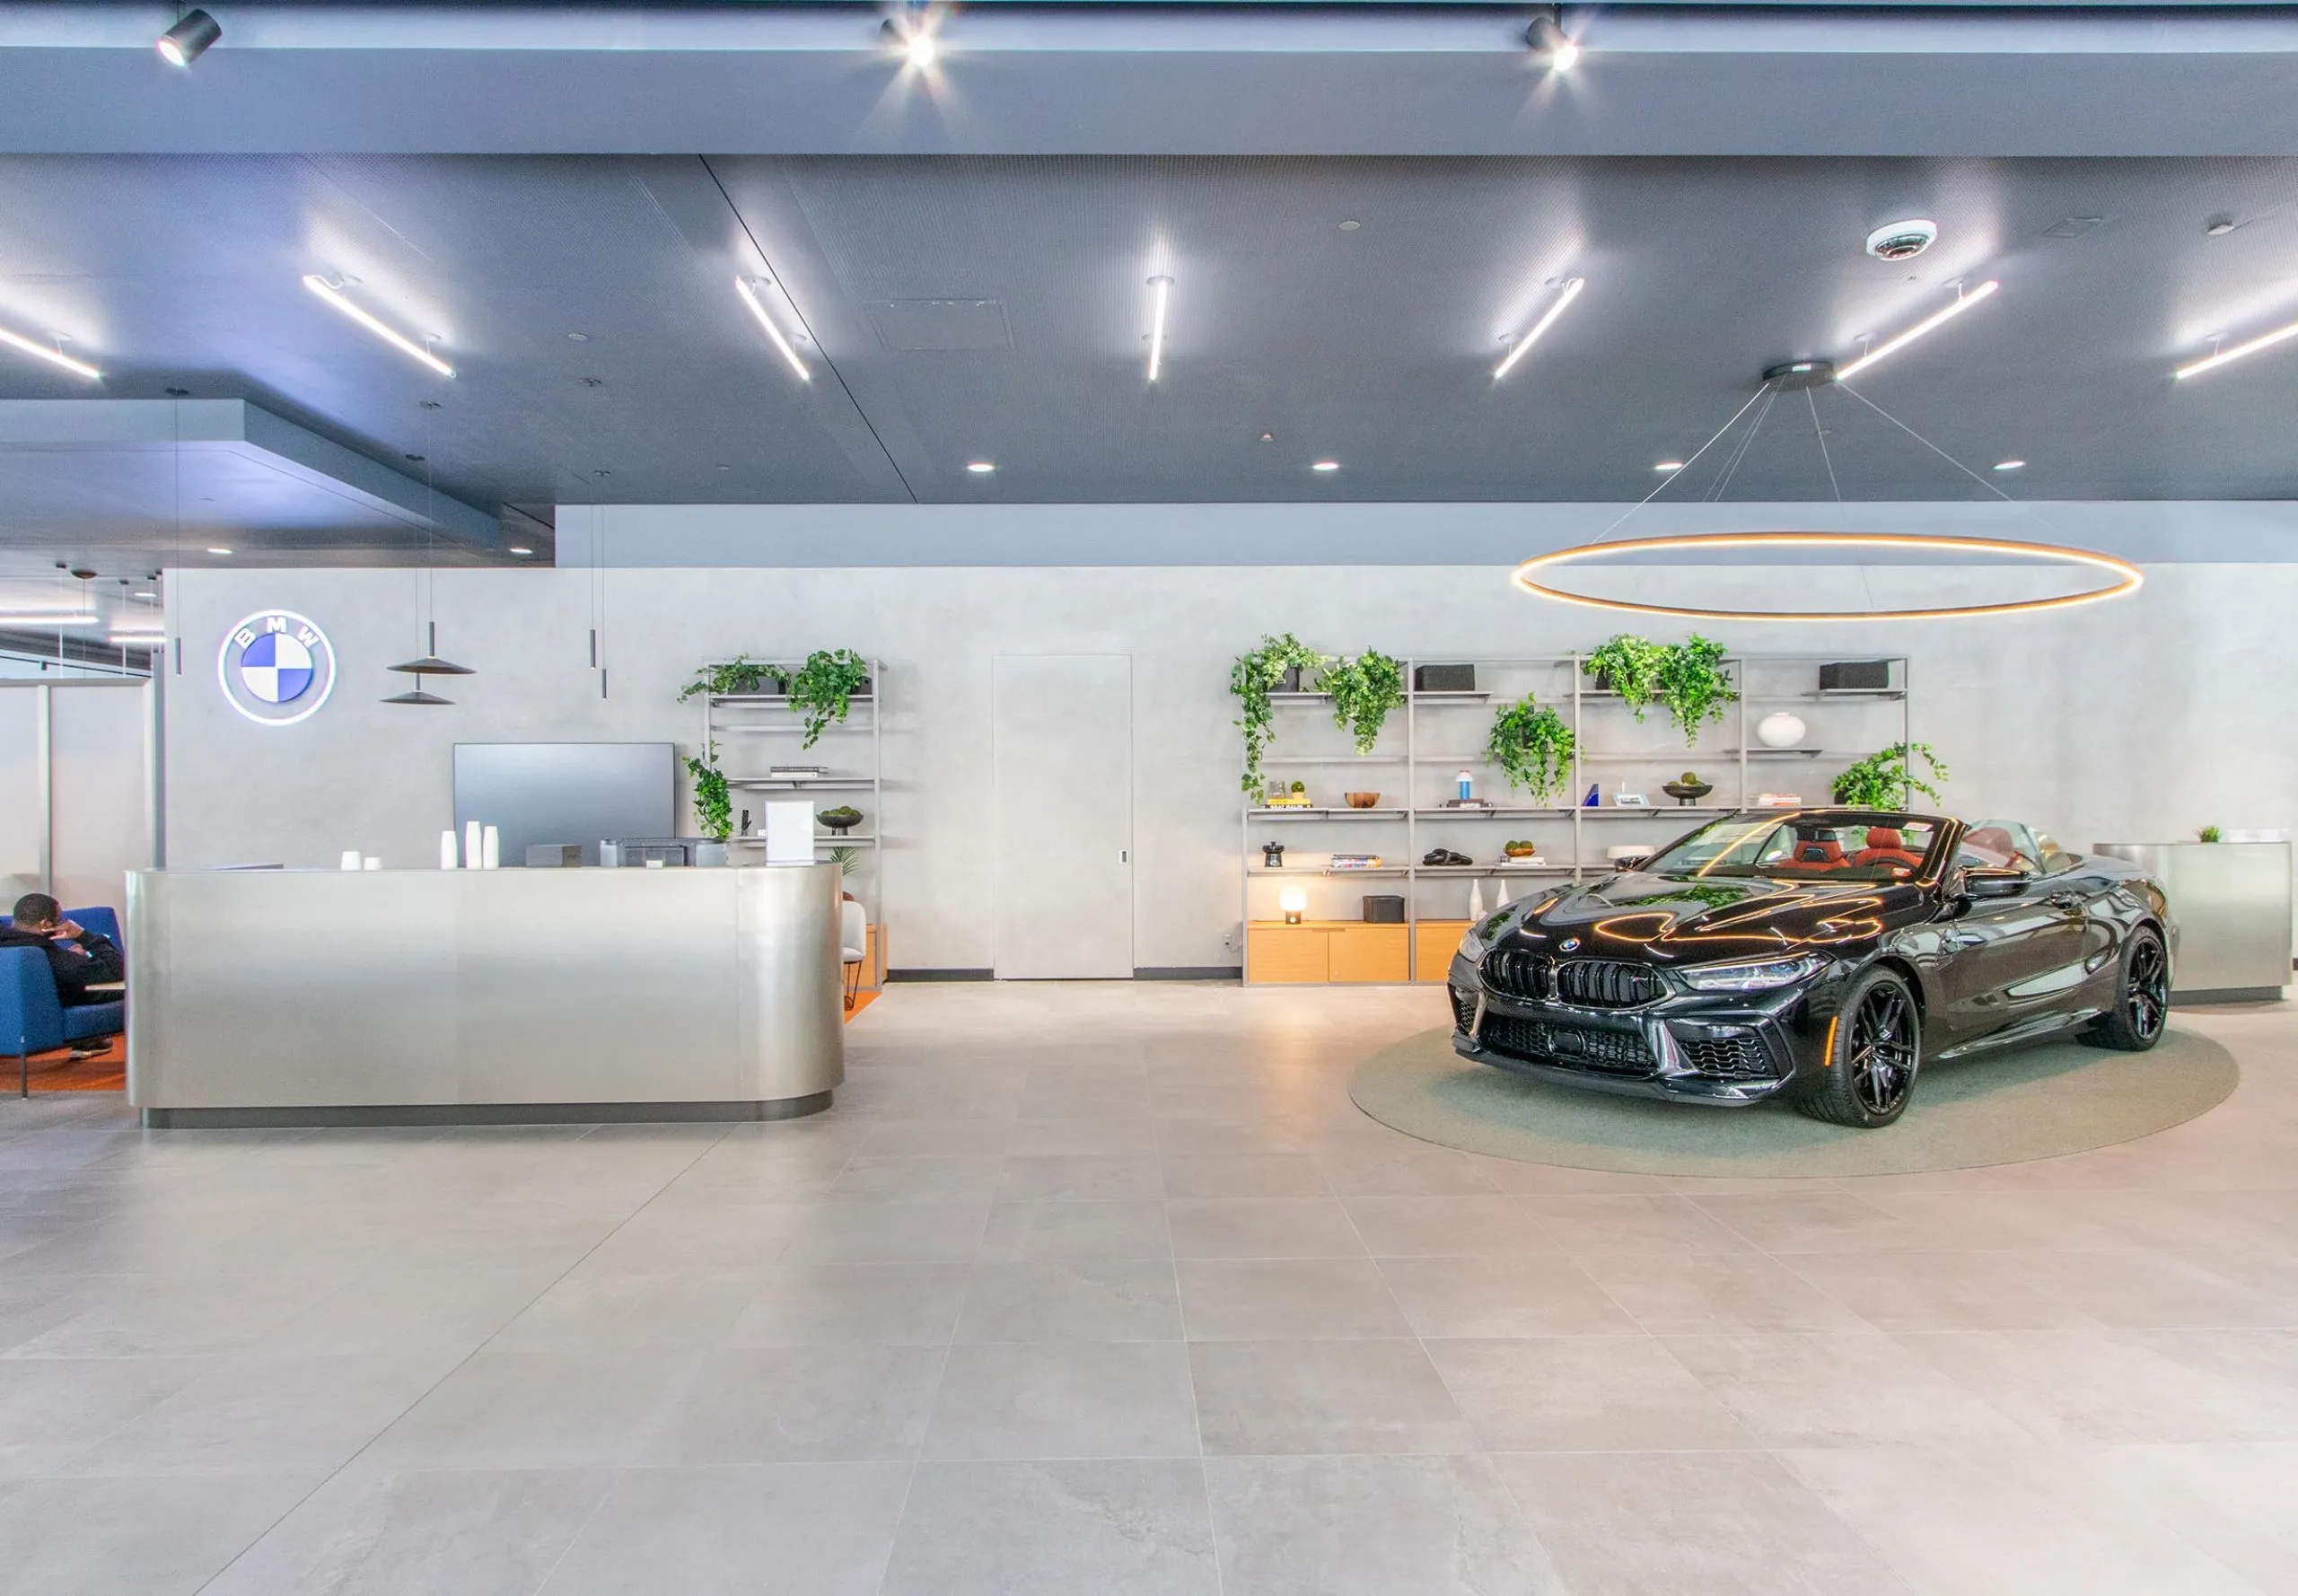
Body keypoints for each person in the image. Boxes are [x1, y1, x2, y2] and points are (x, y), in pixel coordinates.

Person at [2, 893, 124, 1007]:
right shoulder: (48, 955)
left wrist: (70, 957)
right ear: (45, 924)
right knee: (135, 989)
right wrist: (82, 936)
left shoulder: (8, 946)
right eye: (59, 920)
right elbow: (116, 970)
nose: (62, 924)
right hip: (67, 999)